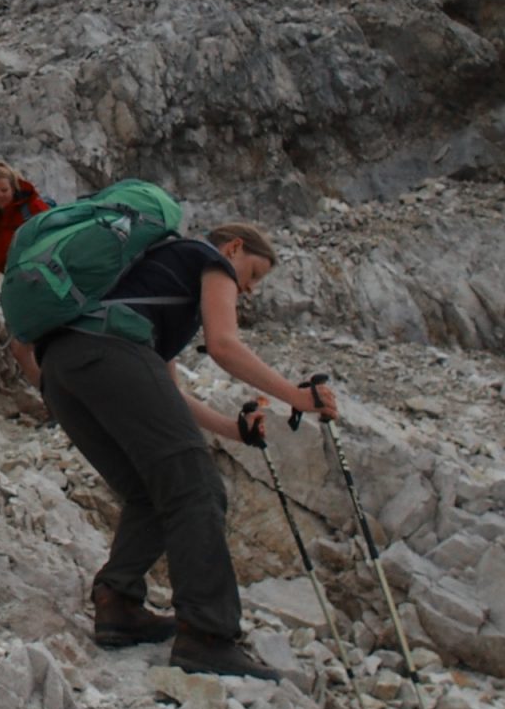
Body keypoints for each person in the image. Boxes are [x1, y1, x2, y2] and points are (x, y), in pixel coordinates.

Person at [35, 221, 337, 680]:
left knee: (149, 491)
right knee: (197, 490)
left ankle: (118, 605)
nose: (250, 289)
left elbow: (168, 394)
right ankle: (207, 636)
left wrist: (232, 430)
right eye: (253, 274)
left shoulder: (155, 286)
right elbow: (224, 345)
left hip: (61, 371)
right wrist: (296, 396)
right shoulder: (207, 258)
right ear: (234, 248)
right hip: (110, 356)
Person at [0, 162, 48, 385]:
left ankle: (53, 395)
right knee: (21, 349)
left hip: (45, 285)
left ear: (13, 187)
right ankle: (49, 395)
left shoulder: (34, 208)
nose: (0, 196)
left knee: (32, 346)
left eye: (4, 190)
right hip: (19, 290)